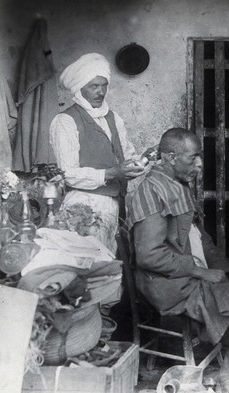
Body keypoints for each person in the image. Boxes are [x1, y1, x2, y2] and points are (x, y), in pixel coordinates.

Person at [127, 128, 229, 393]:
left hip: (182, 274)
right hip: (166, 284)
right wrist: (200, 271)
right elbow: (148, 256)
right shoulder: (151, 191)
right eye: (193, 158)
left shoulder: (176, 183)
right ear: (169, 157)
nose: (200, 165)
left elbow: (195, 234)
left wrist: (213, 266)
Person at [50, 53, 154, 253]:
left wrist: (145, 158)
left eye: (104, 85)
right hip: (84, 206)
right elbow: (68, 173)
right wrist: (112, 173)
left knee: (110, 264)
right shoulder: (65, 121)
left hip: (116, 203)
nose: (100, 92)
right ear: (80, 88)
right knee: (88, 262)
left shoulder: (113, 118)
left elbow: (126, 156)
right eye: (93, 86)